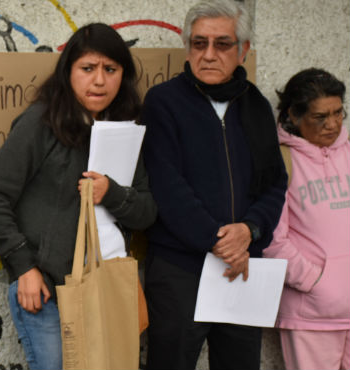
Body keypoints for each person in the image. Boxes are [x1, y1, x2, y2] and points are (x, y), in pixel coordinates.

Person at [0, 23, 157, 370]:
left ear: (123, 75)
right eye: (88, 69)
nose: (99, 81)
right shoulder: (42, 122)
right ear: (68, 71)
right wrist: (24, 267)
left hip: (105, 292)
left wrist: (112, 193)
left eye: (110, 70)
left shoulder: (125, 131)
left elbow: (146, 212)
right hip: (46, 291)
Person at [141, 1, 288, 369]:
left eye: (222, 44)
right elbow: (166, 184)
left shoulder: (254, 104)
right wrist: (220, 240)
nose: (208, 54)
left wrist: (249, 230)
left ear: (243, 50)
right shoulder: (163, 102)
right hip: (180, 269)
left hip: (242, 268)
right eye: (198, 43)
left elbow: (275, 182)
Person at [263, 68, 350, 370]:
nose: (333, 124)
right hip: (311, 314)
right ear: (294, 116)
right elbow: (272, 241)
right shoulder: (281, 161)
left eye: (339, 113)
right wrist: (315, 281)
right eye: (320, 117)